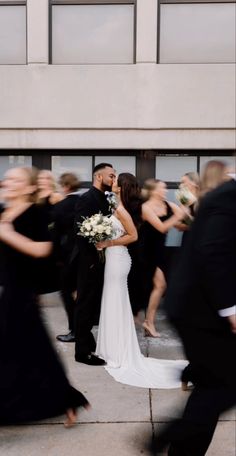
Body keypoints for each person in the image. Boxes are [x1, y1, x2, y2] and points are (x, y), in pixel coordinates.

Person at [149, 178, 236, 455]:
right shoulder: (229, 196)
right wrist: (231, 310)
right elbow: (214, 253)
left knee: (213, 385)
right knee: (222, 386)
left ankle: (180, 447)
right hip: (203, 309)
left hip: (199, 307)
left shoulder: (222, 195)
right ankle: (168, 436)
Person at [0, 167, 89, 426]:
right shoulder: (3, 211)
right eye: (9, 178)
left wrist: (8, 234)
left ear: (29, 188)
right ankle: (65, 399)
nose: (10, 181)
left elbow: (43, 249)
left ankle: (64, 399)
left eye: (17, 179)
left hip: (23, 291)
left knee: (29, 350)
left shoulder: (36, 213)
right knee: (29, 350)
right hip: (9, 289)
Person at [95, 173, 187, 389]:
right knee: (114, 298)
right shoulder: (115, 203)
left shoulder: (123, 209)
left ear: (122, 187)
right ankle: (114, 345)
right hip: (122, 256)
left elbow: (134, 235)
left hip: (121, 257)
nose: (112, 182)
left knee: (119, 297)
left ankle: (122, 345)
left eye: (116, 181)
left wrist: (108, 242)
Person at [72, 163, 116, 366]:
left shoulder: (107, 198)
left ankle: (88, 344)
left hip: (103, 260)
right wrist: (90, 261)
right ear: (98, 176)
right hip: (88, 261)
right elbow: (81, 231)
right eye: (111, 175)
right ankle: (82, 352)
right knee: (84, 305)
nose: (113, 178)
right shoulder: (86, 198)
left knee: (92, 305)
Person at [140, 179, 184, 337]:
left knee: (160, 286)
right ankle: (148, 322)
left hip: (162, 250)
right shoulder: (145, 207)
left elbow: (183, 220)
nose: (165, 191)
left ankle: (148, 322)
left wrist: (184, 210)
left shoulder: (169, 205)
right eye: (162, 188)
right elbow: (162, 227)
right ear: (153, 191)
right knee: (159, 285)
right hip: (148, 251)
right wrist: (179, 214)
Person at [52, 173, 81, 343]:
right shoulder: (83, 203)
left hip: (66, 258)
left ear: (65, 186)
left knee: (66, 294)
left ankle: (74, 330)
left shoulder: (60, 207)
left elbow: (55, 236)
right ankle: (82, 326)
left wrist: (56, 258)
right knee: (80, 292)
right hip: (84, 256)